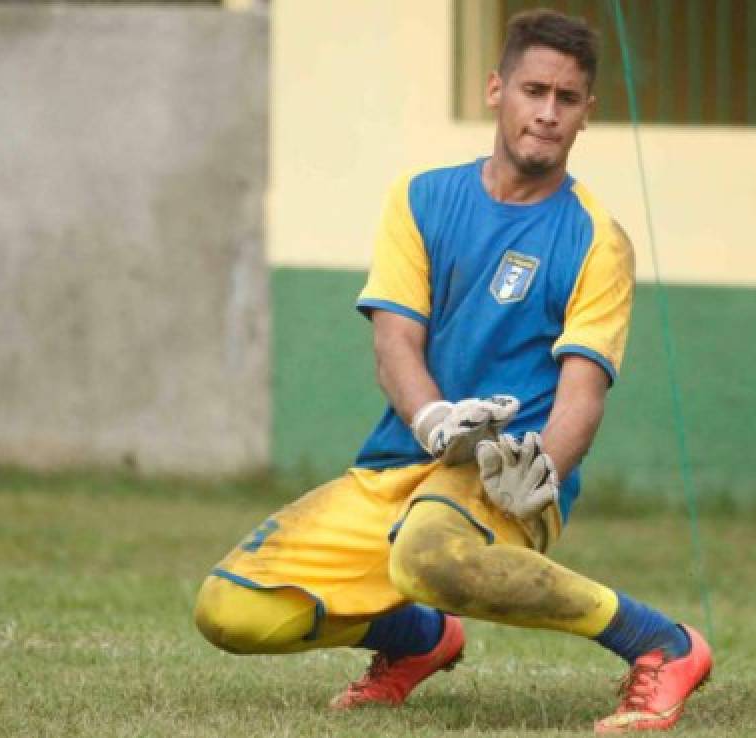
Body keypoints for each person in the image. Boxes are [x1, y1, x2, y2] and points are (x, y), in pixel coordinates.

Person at [193, 8, 711, 733]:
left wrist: (542, 476)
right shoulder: (422, 197)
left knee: (427, 556)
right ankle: (421, 641)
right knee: (230, 609)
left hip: (502, 474)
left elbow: (583, 394)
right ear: (497, 89)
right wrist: (436, 421)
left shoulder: (597, 239)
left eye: (567, 99)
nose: (547, 113)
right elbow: (395, 344)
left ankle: (661, 641)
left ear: (588, 113)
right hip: (401, 464)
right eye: (535, 91)